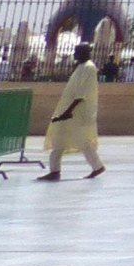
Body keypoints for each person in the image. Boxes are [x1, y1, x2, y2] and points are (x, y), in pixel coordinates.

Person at [39, 45, 105, 180]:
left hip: (78, 113)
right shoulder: (81, 67)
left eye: (77, 52)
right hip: (69, 111)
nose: (75, 54)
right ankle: (55, 171)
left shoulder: (89, 68)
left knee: (83, 141)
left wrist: (68, 112)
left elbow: (81, 94)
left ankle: (97, 167)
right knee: (59, 139)